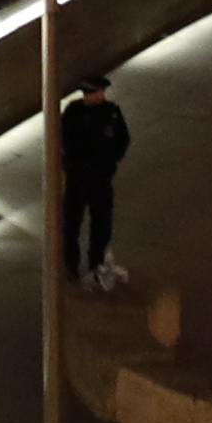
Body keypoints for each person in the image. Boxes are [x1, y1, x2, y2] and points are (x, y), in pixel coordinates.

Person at [58, 74, 129, 289]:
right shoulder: (74, 112)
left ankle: (96, 264)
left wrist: (109, 161)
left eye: (98, 93)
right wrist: (72, 162)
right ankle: (71, 265)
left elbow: (122, 140)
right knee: (72, 223)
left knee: (102, 223)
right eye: (93, 93)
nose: (97, 96)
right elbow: (63, 139)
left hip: (101, 177)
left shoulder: (111, 113)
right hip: (78, 176)